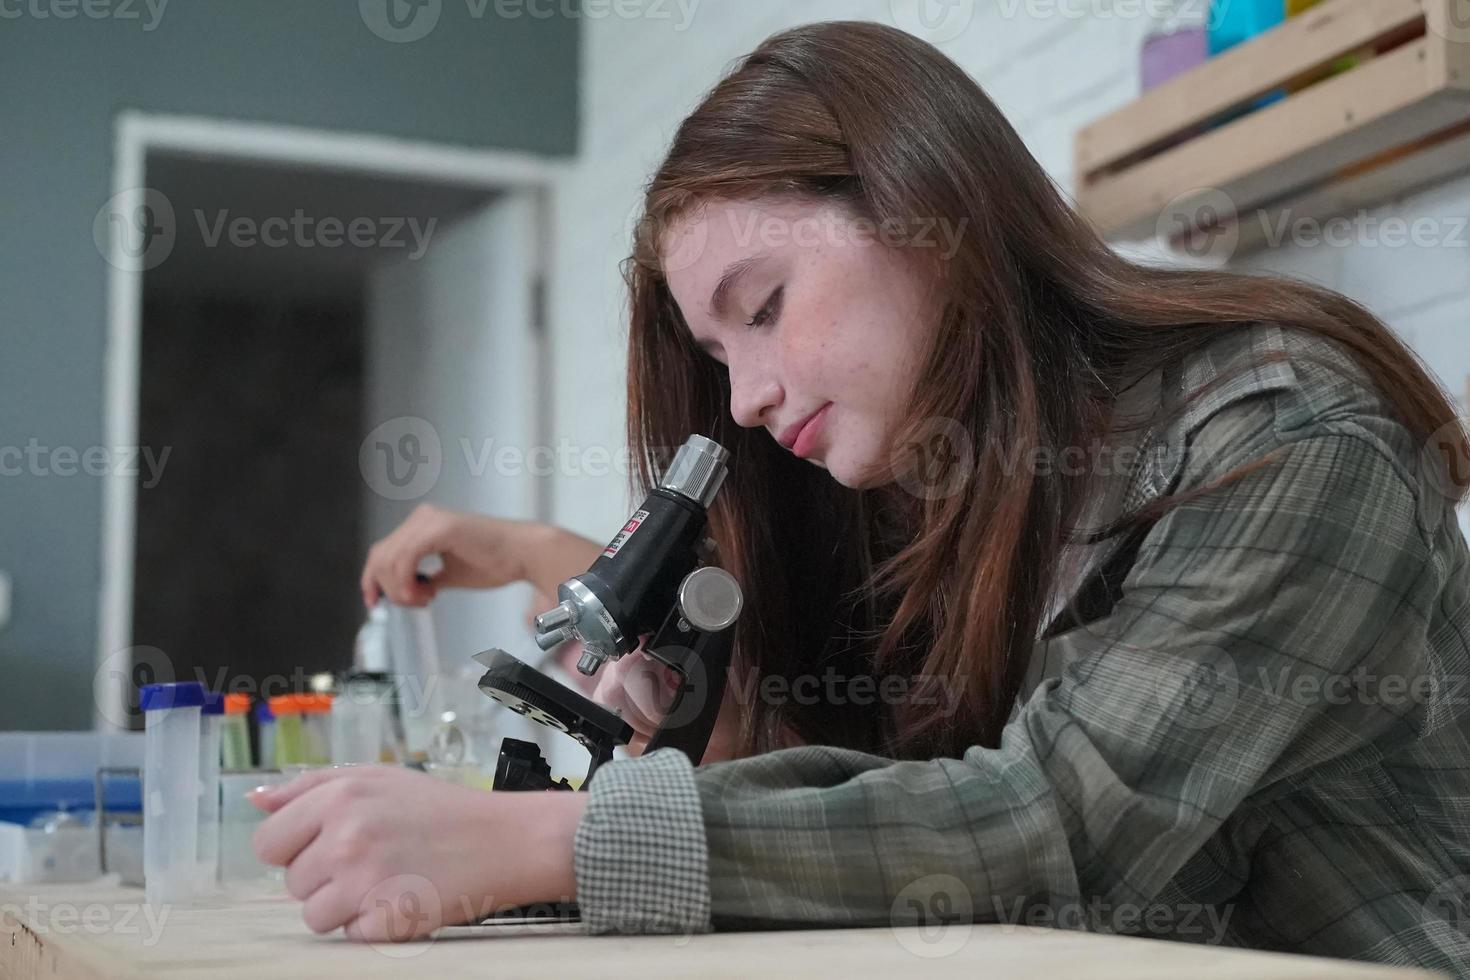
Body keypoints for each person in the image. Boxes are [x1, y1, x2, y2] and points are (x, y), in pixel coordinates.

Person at [248, 20, 1470, 971]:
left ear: (928, 209)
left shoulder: (1294, 441)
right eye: (720, 359)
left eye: (764, 308)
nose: (746, 401)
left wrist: (542, 842)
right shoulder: (965, 495)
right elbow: (916, 815)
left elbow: (1051, 827)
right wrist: (735, 737)